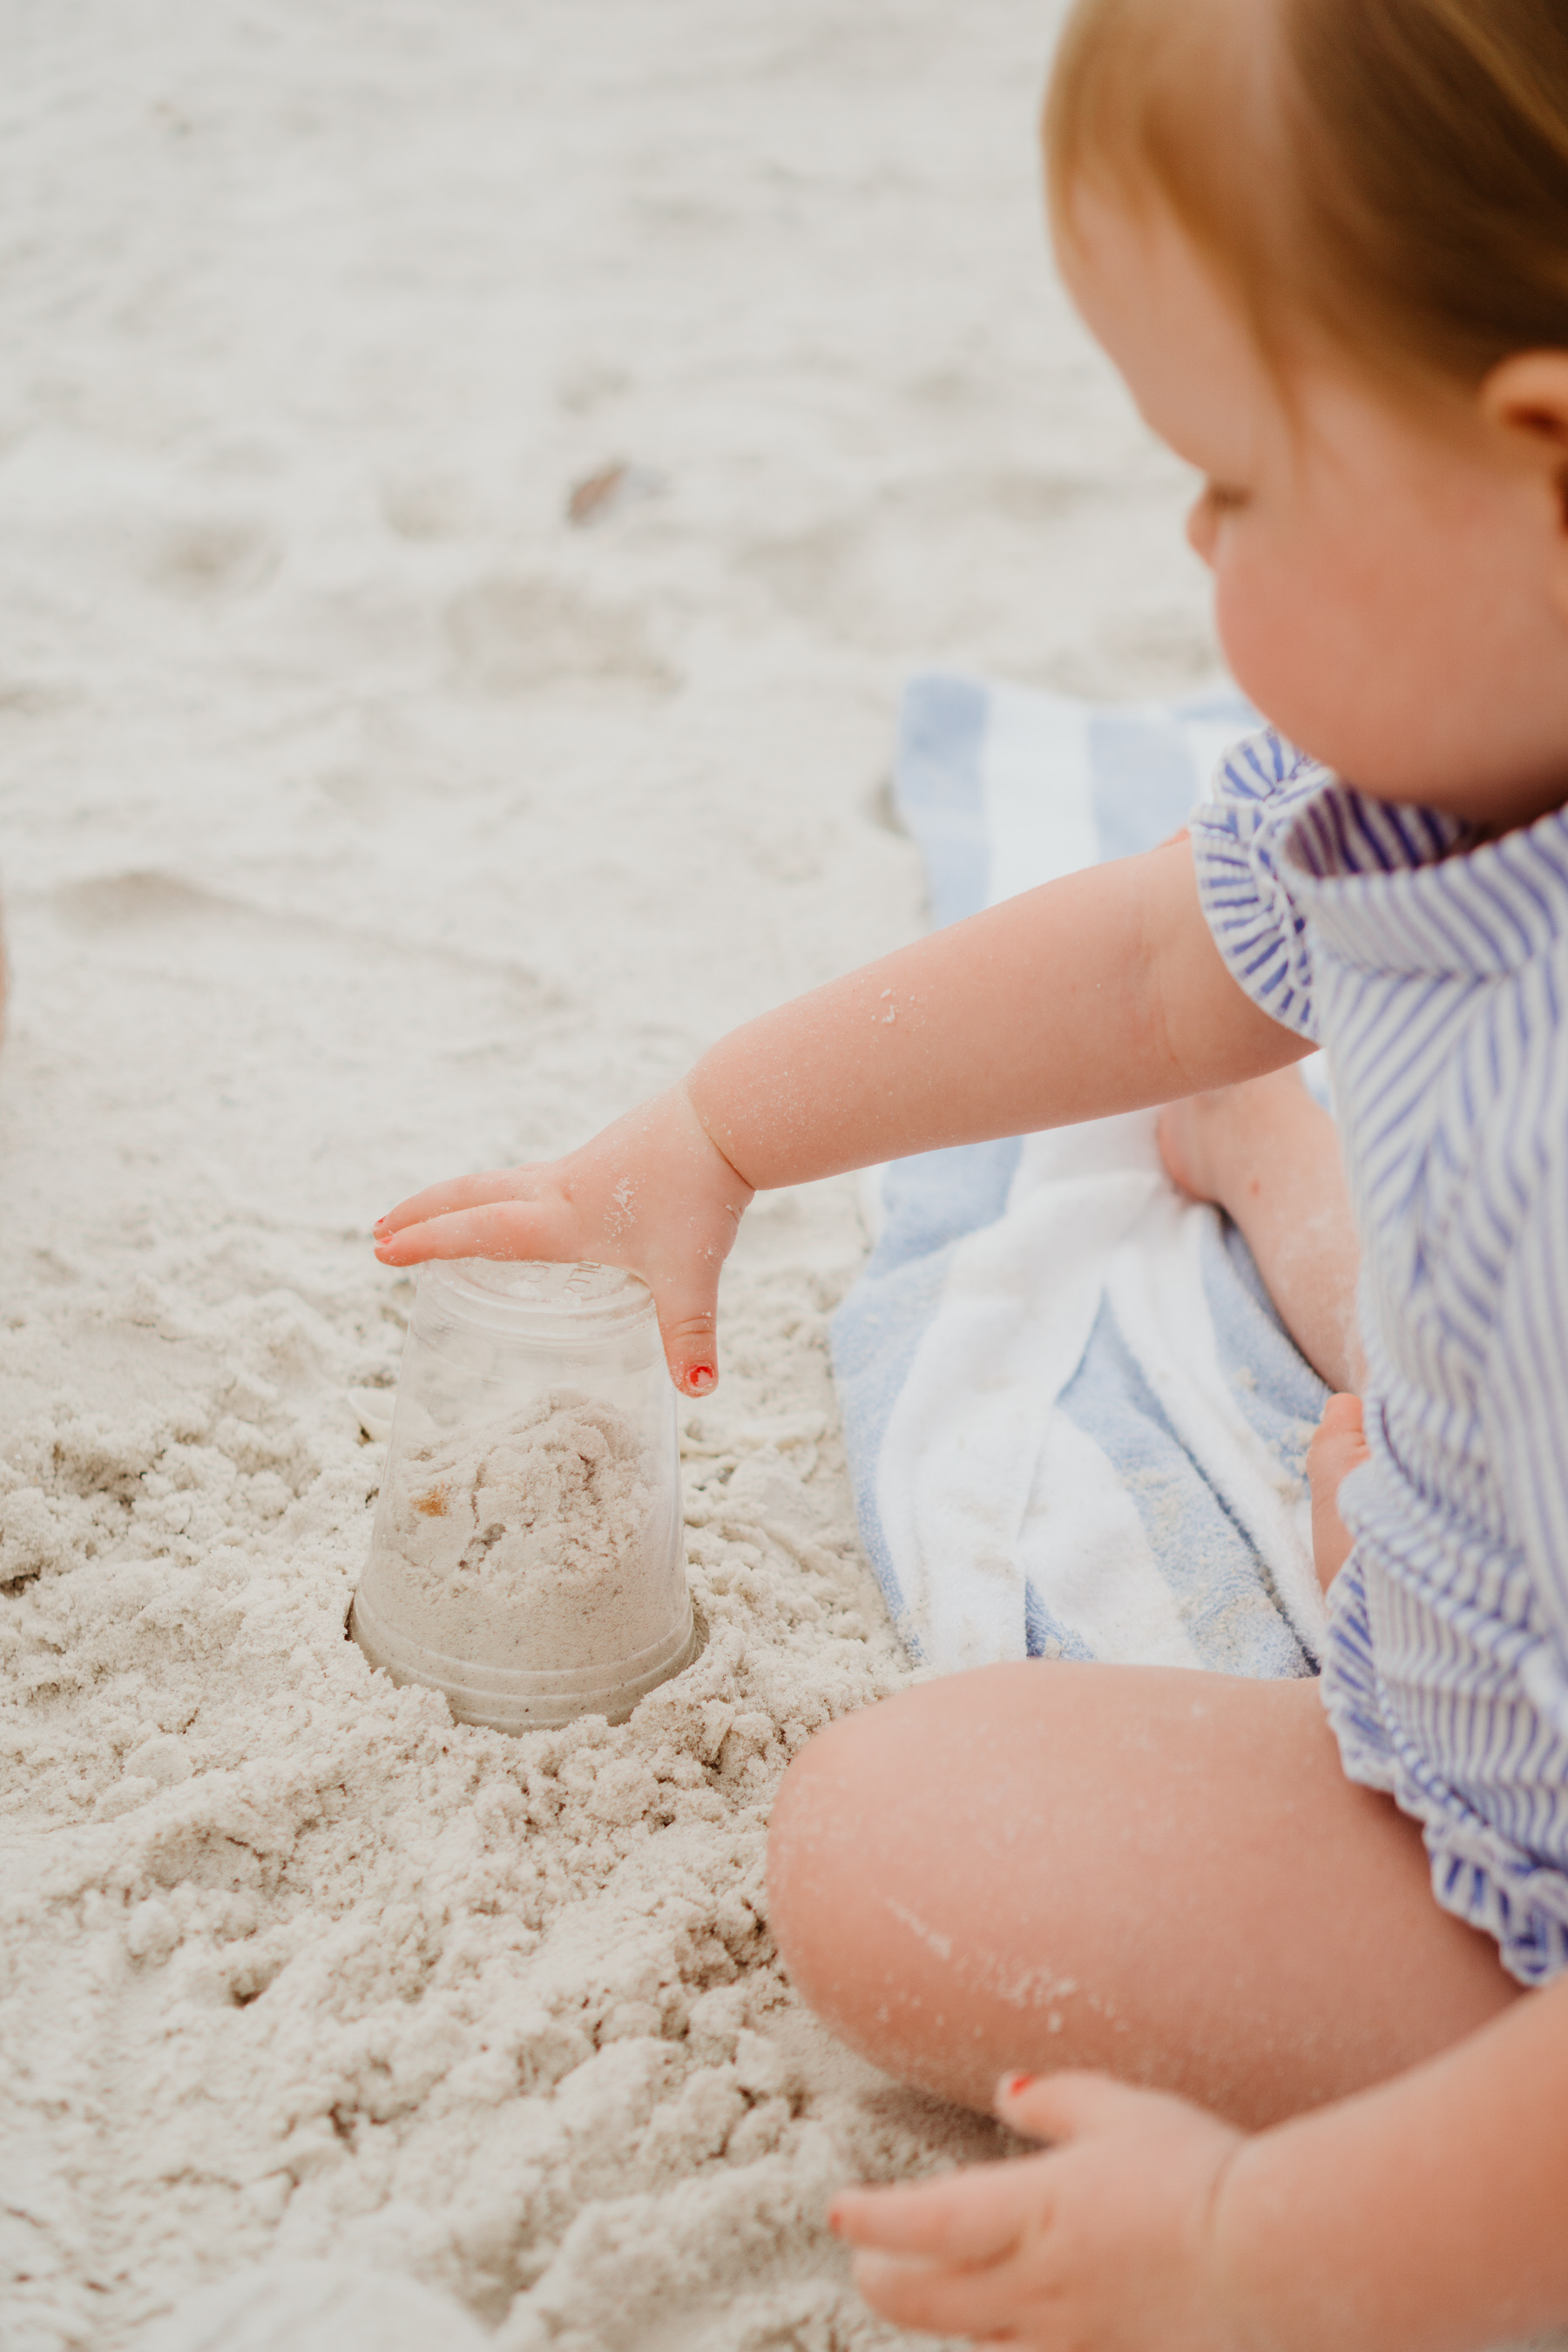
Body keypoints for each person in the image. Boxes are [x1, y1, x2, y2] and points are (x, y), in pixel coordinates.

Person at [374, 0, 1568, 2337]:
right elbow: (1147, 964)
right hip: (1494, 1505)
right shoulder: (1457, 769)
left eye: (1231, 483)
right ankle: (1327, 1260)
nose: (1191, 541)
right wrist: (711, 1131)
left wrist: (1257, 2252)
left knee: (881, 1845)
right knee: (1389, 1306)